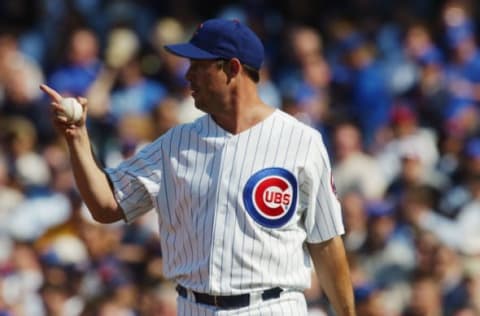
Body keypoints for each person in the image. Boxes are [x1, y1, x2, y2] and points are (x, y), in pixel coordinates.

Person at [40, 18, 355, 316]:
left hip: (272, 304)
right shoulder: (175, 143)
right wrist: (77, 138)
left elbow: (327, 242)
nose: (186, 75)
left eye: (198, 66)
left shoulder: (301, 141)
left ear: (232, 68)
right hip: (194, 305)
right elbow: (106, 206)